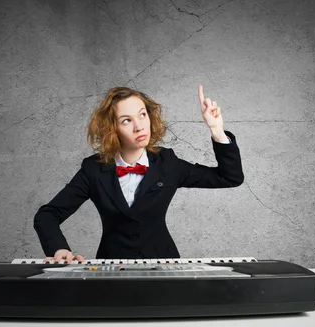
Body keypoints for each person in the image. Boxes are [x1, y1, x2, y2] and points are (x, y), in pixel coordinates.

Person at [34, 85, 244, 263]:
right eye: (126, 120)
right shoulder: (93, 170)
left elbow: (230, 177)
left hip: (165, 266)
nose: (139, 126)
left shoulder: (168, 164)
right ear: (112, 129)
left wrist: (217, 130)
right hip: (111, 270)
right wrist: (58, 249)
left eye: (142, 115)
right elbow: (47, 215)